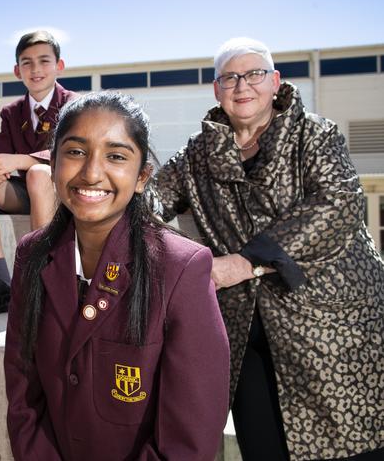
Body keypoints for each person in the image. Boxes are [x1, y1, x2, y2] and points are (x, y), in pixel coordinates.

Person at [155, 37, 384, 461]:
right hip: (246, 326)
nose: (243, 86)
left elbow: (338, 203)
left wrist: (243, 262)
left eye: (255, 74)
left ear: (275, 82)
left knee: (354, 443)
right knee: (264, 444)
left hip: (333, 323)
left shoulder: (315, 134)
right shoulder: (198, 153)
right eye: (230, 77)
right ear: (216, 89)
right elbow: (152, 200)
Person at [4, 92, 230, 460]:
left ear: (142, 177)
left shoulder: (181, 268)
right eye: (75, 152)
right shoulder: (33, 256)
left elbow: (190, 435)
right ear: (54, 164)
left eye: (116, 156)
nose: (92, 172)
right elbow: (22, 392)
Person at [0, 30, 78, 317]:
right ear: (17, 70)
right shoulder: (11, 112)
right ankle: (1, 282)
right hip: (27, 191)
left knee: (38, 173)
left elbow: (73, 155)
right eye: (27, 62)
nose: (35, 69)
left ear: (59, 66)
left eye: (44, 61)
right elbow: (3, 157)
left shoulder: (74, 103)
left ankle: (37, 279)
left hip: (65, 192)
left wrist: (21, 160)